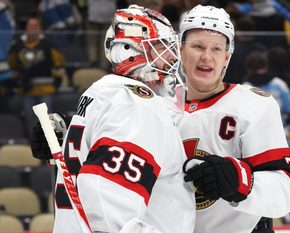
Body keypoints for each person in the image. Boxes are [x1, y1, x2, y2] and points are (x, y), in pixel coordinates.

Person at [30, 5, 195, 233]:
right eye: (160, 47)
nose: (171, 56)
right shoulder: (136, 103)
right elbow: (106, 196)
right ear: (129, 50)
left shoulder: (103, 94)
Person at [177, 5, 290, 233]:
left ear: (227, 57)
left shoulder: (255, 106)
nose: (206, 56)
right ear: (180, 50)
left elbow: (285, 194)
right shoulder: (157, 106)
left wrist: (240, 181)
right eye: (197, 46)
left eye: (216, 49)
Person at [8, 15, 67, 138]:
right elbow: (12, 65)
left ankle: (49, 143)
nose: (33, 29)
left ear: (40, 29)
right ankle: (33, 143)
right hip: (26, 91)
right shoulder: (17, 46)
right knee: (30, 118)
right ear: (26, 28)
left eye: (36, 26)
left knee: (47, 118)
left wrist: (57, 81)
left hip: (45, 89)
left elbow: (60, 64)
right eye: (31, 26)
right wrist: (18, 80)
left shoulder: (48, 45)